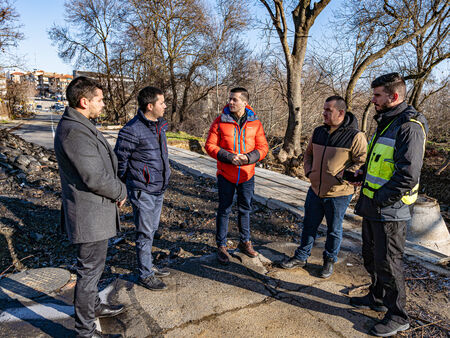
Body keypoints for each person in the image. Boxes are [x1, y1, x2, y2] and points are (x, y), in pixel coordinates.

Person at [350, 73, 428, 337]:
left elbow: (407, 175)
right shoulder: (387, 122)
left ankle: (398, 315)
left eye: (377, 96)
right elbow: (381, 163)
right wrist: (361, 174)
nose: (373, 100)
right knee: (372, 257)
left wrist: (381, 199)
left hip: (390, 209)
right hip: (373, 205)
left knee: (388, 261)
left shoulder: (409, 126)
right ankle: (378, 297)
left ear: (393, 97)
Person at [54, 76, 127, 338]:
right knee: (88, 273)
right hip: (88, 216)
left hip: (94, 213)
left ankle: (94, 307)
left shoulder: (80, 123)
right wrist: (120, 190)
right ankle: (84, 332)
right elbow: (93, 177)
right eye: (100, 99)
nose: (103, 104)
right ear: (84, 102)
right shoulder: (74, 131)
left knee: (93, 270)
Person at [280, 96, 367, 278]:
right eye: (324, 109)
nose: (324, 113)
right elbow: (308, 154)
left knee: (334, 230)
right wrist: (309, 171)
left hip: (339, 193)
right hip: (315, 190)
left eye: (329, 110)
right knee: (309, 225)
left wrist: (343, 175)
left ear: (341, 113)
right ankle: (301, 256)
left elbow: (362, 161)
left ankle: (329, 261)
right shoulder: (318, 131)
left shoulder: (355, 136)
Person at [114, 86, 171, 291]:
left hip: (158, 188)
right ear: (150, 106)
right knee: (144, 233)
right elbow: (119, 162)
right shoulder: (132, 129)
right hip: (142, 189)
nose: (165, 106)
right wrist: (121, 188)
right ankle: (145, 274)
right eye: (161, 103)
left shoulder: (159, 126)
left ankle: (148, 265)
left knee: (152, 229)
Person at [205, 87, 268, 264]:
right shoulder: (220, 121)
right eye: (230, 99)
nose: (230, 102)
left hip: (247, 174)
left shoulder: (255, 123)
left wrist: (248, 158)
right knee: (224, 209)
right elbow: (210, 145)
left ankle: (245, 242)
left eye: (234, 100)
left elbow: (263, 147)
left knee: (245, 209)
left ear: (245, 103)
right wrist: (228, 157)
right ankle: (222, 246)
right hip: (226, 173)